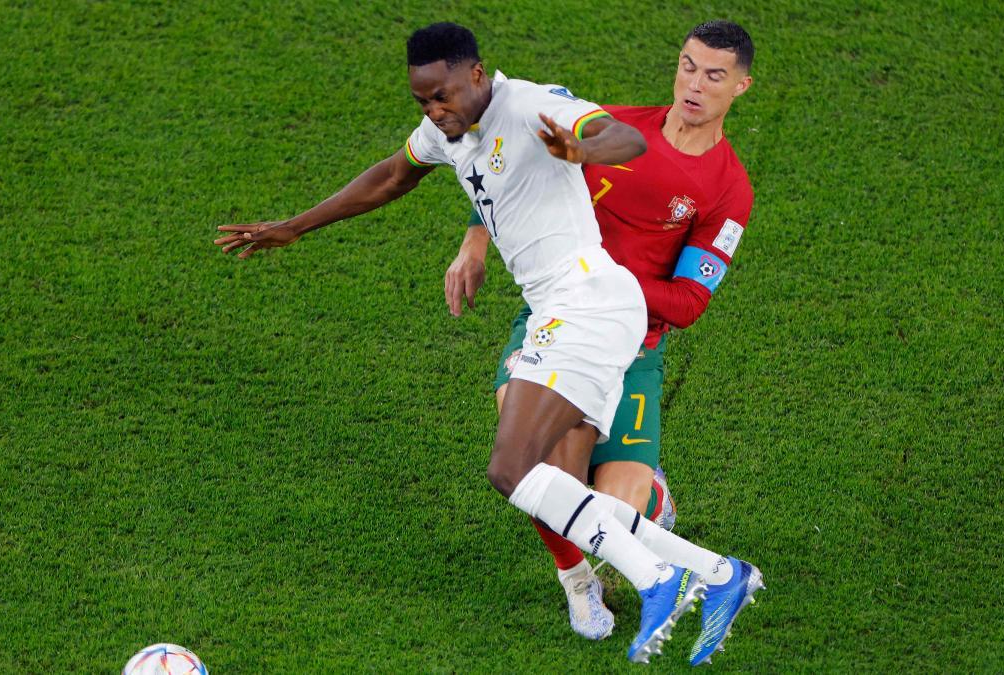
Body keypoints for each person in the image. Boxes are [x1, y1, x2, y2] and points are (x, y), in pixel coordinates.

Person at [214, 22, 713, 662]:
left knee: (517, 469)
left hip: (589, 303)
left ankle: (659, 577)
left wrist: (583, 153)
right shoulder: (449, 128)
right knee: (546, 483)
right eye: (422, 101)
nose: (434, 110)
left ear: (477, 74)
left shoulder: (532, 104)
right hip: (561, 309)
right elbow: (393, 176)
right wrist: (295, 226)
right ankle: (704, 573)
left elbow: (626, 137)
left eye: (442, 95)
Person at [442, 20, 763, 666]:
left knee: (607, 512)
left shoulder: (729, 191)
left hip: (635, 347)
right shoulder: (613, 128)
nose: (694, 85)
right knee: (531, 467)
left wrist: (607, 286)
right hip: (557, 322)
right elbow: (512, 159)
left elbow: (688, 302)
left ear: (742, 87)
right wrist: (475, 237)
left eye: (713, 75)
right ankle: (577, 580)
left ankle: (661, 510)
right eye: (687, 66)